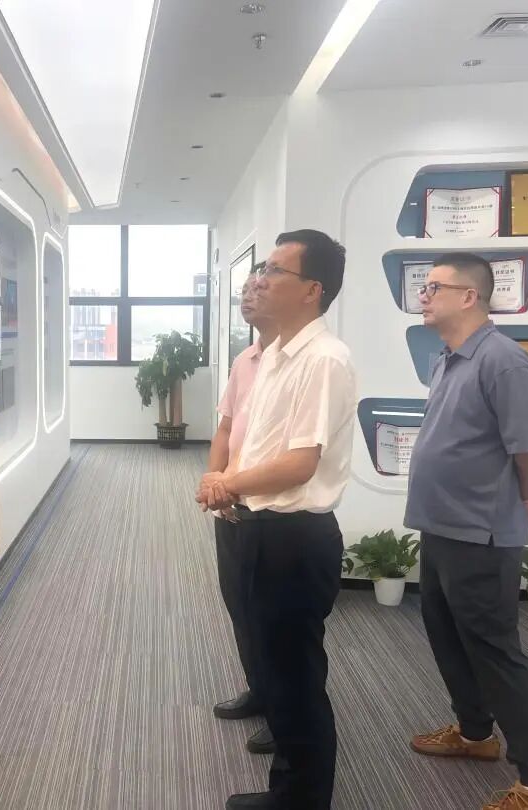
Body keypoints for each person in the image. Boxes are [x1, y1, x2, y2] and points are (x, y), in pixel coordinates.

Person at [404, 253, 528, 810]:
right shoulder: (449, 359)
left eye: (434, 286)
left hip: (481, 532)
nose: (423, 295)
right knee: (448, 637)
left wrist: (525, 494)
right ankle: (476, 734)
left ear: (469, 296)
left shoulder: (504, 362)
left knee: (496, 652)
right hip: (441, 525)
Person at [198, 230, 356, 810]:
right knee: (278, 668)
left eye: (274, 271)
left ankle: (300, 797)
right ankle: (294, 786)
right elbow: (242, 438)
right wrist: (224, 481)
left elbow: (298, 463)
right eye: (261, 268)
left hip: (293, 537)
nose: (259, 281)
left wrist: (224, 483)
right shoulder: (273, 358)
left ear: (312, 290)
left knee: (296, 678)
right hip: (260, 527)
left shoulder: (323, 360)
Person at [207, 272, 278, 756]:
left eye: (260, 287)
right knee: (240, 607)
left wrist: (228, 484)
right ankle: (260, 690)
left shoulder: (304, 363)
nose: (249, 296)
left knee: (275, 618)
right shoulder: (244, 360)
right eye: (245, 290)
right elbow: (225, 428)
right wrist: (215, 481)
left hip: (273, 514)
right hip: (232, 507)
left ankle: (284, 710)